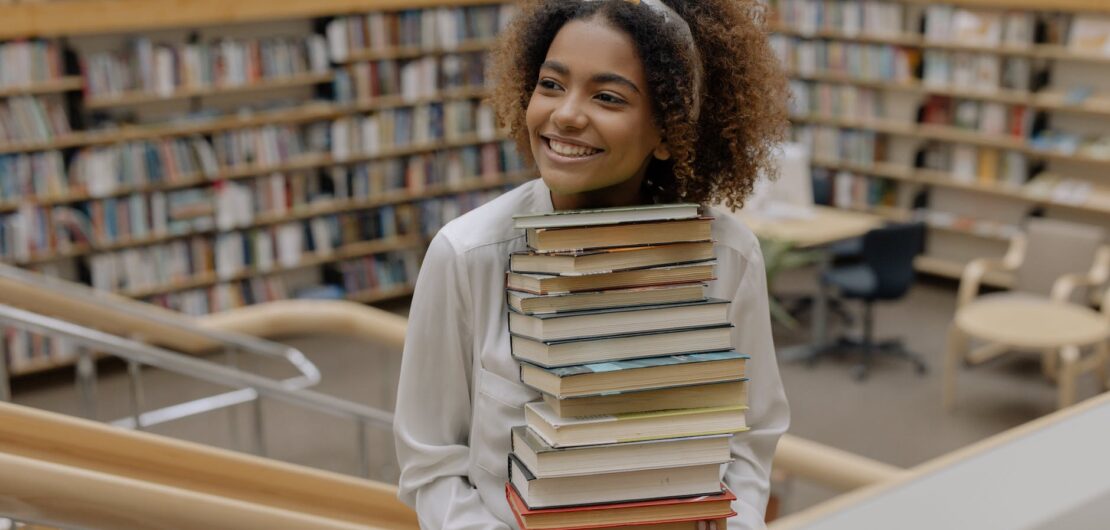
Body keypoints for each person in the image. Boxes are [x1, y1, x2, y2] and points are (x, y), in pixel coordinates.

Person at [393, 1, 790, 528]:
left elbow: (749, 439)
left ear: (669, 131)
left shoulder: (728, 258)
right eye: (551, 85)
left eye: (607, 97)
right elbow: (432, 465)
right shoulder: (466, 256)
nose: (566, 114)